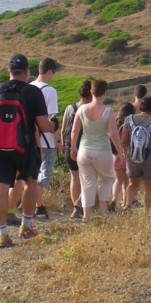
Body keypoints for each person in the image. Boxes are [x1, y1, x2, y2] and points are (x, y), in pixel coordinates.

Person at [0, 54, 53, 247]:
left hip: (0, 148)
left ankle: (2, 234)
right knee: (30, 184)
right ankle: (26, 226)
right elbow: (44, 126)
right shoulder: (33, 92)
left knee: (1, 189)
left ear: (7, 71)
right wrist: (54, 125)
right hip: (26, 147)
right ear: (27, 72)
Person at [69, 79, 123, 219]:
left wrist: (73, 147)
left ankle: (86, 217)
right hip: (103, 151)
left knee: (87, 184)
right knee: (106, 180)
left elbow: (74, 131)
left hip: (84, 151)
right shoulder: (108, 111)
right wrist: (120, 152)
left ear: (91, 92)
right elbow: (113, 134)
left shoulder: (81, 109)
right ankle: (102, 211)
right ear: (105, 93)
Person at [122, 96, 151, 210]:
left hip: (132, 157)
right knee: (149, 186)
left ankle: (127, 206)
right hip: (150, 158)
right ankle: (147, 211)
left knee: (132, 184)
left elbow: (123, 140)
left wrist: (127, 152)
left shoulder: (129, 119)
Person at [31, 58, 59, 218]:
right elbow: (52, 119)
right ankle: (30, 200)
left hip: (30, 139)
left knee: (33, 174)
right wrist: (59, 141)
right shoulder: (50, 91)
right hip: (46, 140)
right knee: (44, 176)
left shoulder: (28, 87)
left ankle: (38, 206)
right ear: (49, 71)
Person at [60, 81, 92, 220]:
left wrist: (63, 144)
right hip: (86, 146)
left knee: (75, 178)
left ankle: (75, 207)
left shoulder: (70, 108)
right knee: (89, 178)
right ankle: (80, 203)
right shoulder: (91, 109)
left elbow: (63, 129)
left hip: (70, 146)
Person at [110, 102, 135, 210]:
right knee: (127, 181)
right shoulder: (131, 123)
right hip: (128, 154)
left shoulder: (115, 122)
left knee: (118, 180)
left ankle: (114, 199)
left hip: (115, 155)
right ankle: (125, 202)